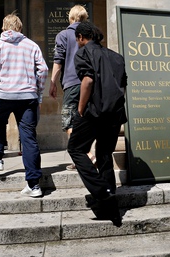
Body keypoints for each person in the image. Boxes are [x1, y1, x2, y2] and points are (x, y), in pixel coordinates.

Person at [0, 11, 48, 198]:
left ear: (3, 27)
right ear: (20, 28)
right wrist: (38, 93)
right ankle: (34, 185)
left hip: (4, 95)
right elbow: (43, 70)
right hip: (27, 97)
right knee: (28, 138)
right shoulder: (31, 45)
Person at [67, 21, 127, 227]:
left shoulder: (83, 53)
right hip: (114, 114)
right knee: (104, 155)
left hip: (93, 111)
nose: (77, 42)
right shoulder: (117, 58)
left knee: (75, 148)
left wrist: (81, 109)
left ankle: (102, 191)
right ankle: (109, 206)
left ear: (82, 37)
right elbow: (123, 86)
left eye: (77, 38)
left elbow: (88, 81)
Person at [49, 5, 95, 171]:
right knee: (87, 119)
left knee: (69, 121)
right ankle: (83, 156)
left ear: (70, 17)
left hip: (72, 84)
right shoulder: (91, 36)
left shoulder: (63, 35)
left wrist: (53, 82)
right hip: (91, 84)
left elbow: (58, 61)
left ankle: (86, 154)